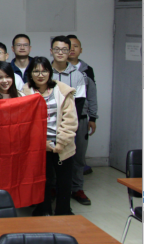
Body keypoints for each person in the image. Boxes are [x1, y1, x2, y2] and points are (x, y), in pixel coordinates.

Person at [21, 57, 78, 216]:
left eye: (44, 71)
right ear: (30, 73)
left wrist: (61, 142)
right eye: (36, 71)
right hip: (38, 146)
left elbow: (70, 120)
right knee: (42, 180)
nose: (40, 75)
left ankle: (63, 210)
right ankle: (43, 208)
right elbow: (24, 123)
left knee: (64, 181)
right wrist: (41, 143)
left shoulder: (62, 91)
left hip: (63, 144)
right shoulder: (24, 93)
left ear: (50, 72)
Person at [67, 34, 98, 205]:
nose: (72, 49)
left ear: (81, 50)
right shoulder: (54, 69)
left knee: (79, 156)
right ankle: (54, 187)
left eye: (75, 46)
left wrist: (93, 117)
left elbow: (92, 95)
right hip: (60, 119)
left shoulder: (87, 70)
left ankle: (77, 188)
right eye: (68, 46)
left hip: (82, 118)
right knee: (57, 155)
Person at [50, 36, 86, 117]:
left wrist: (71, 121)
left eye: (64, 50)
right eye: (57, 49)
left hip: (70, 120)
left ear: (69, 52)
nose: (60, 53)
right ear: (51, 51)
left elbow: (79, 102)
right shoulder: (44, 73)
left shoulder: (78, 75)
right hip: (48, 120)